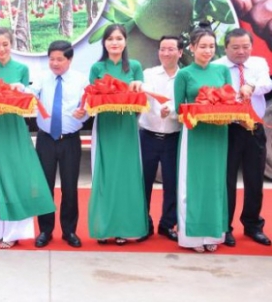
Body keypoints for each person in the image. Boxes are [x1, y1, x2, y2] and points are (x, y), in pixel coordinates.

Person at [0, 27, 55, 249]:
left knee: (17, 177)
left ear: (12, 44)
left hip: (15, 127)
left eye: (5, 44)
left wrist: (21, 91)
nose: (1, 49)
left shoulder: (22, 69)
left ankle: (14, 232)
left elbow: (25, 102)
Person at [88, 23, 148, 245]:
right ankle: (104, 227)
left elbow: (142, 99)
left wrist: (138, 86)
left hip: (127, 127)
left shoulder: (134, 66)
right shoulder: (97, 68)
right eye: (110, 39)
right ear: (104, 43)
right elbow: (91, 98)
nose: (115, 42)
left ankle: (125, 228)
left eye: (119, 38)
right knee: (105, 176)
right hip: (106, 126)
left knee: (127, 176)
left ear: (125, 42)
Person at [175, 24, 232, 253]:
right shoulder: (184, 74)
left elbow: (229, 101)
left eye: (211, 46)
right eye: (203, 46)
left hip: (218, 134)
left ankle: (213, 235)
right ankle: (192, 237)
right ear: (192, 47)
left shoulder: (222, 72)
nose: (208, 51)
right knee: (193, 184)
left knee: (215, 183)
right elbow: (180, 109)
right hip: (194, 135)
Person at [213, 28, 272, 247]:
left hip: (254, 129)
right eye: (235, 47)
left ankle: (253, 225)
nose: (241, 52)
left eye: (245, 47)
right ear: (226, 47)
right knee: (226, 181)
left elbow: (268, 83)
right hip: (228, 128)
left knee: (255, 180)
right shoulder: (217, 66)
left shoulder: (258, 64)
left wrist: (252, 86)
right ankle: (224, 227)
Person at [31, 40, 89, 248]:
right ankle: (45, 231)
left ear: (70, 59)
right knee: (44, 187)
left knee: (70, 188)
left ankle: (69, 231)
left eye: (60, 59)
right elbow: (31, 93)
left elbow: (88, 107)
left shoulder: (81, 80)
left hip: (70, 140)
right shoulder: (41, 78)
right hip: (46, 139)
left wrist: (84, 113)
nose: (55, 63)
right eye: (52, 59)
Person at [137, 36, 183, 242]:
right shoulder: (148, 74)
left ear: (180, 52)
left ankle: (167, 224)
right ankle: (143, 224)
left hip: (174, 137)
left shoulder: (185, 77)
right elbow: (140, 97)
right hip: (148, 136)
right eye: (162, 49)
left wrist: (172, 112)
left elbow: (187, 103)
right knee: (143, 182)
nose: (166, 53)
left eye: (171, 49)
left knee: (172, 183)